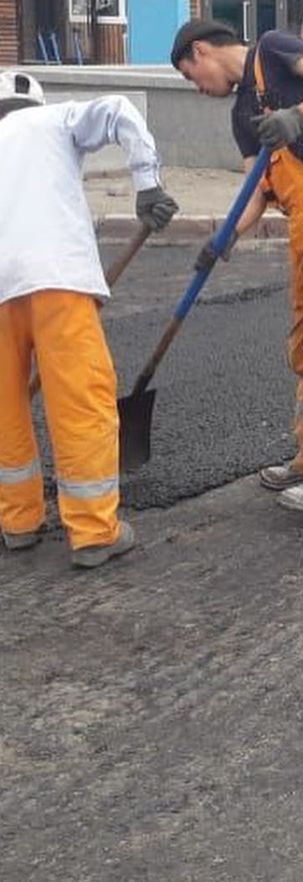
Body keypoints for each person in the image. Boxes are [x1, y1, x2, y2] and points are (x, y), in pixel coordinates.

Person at [170, 19, 303, 515]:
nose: (198, 91)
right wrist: (222, 239)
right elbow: (255, 194)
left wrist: (297, 118)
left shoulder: (275, 50)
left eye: (189, 76)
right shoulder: (242, 116)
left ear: (201, 51)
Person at [0, 73, 179, 568]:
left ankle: (17, 522)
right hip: (56, 277)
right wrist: (147, 184)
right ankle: (95, 529)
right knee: (79, 397)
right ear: (31, 101)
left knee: (6, 409)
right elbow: (120, 108)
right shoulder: (53, 118)